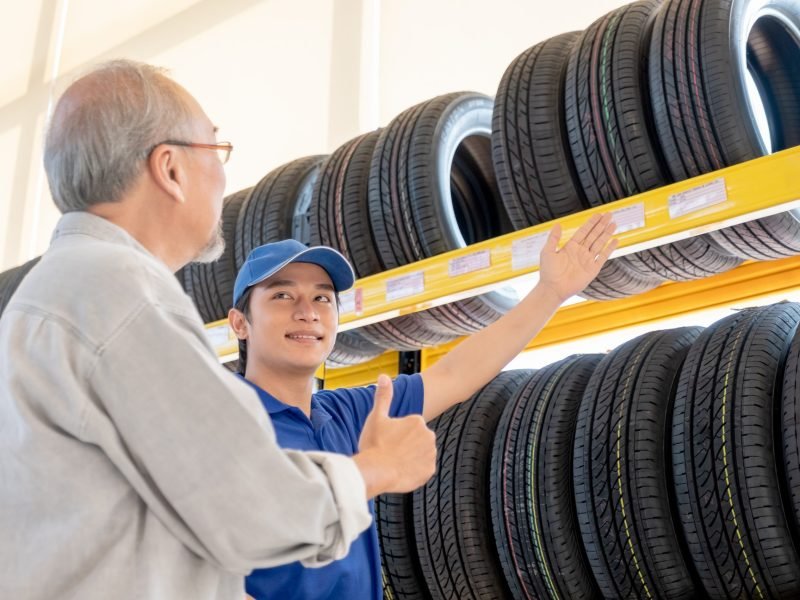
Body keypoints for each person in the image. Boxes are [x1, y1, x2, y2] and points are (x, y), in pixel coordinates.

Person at [0, 59, 438, 600]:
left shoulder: (53, 292)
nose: (223, 177)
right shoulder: (123, 294)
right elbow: (251, 510)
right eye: (215, 150)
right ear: (170, 169)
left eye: (322, 297)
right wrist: (375, 470)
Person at [228, 213, 618, 600]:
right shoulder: (220, 430)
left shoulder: (348, 413)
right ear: (240, 323)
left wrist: (550, 292)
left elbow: (455, 374)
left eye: (322, 297)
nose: (307, 311)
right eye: (282, 295)